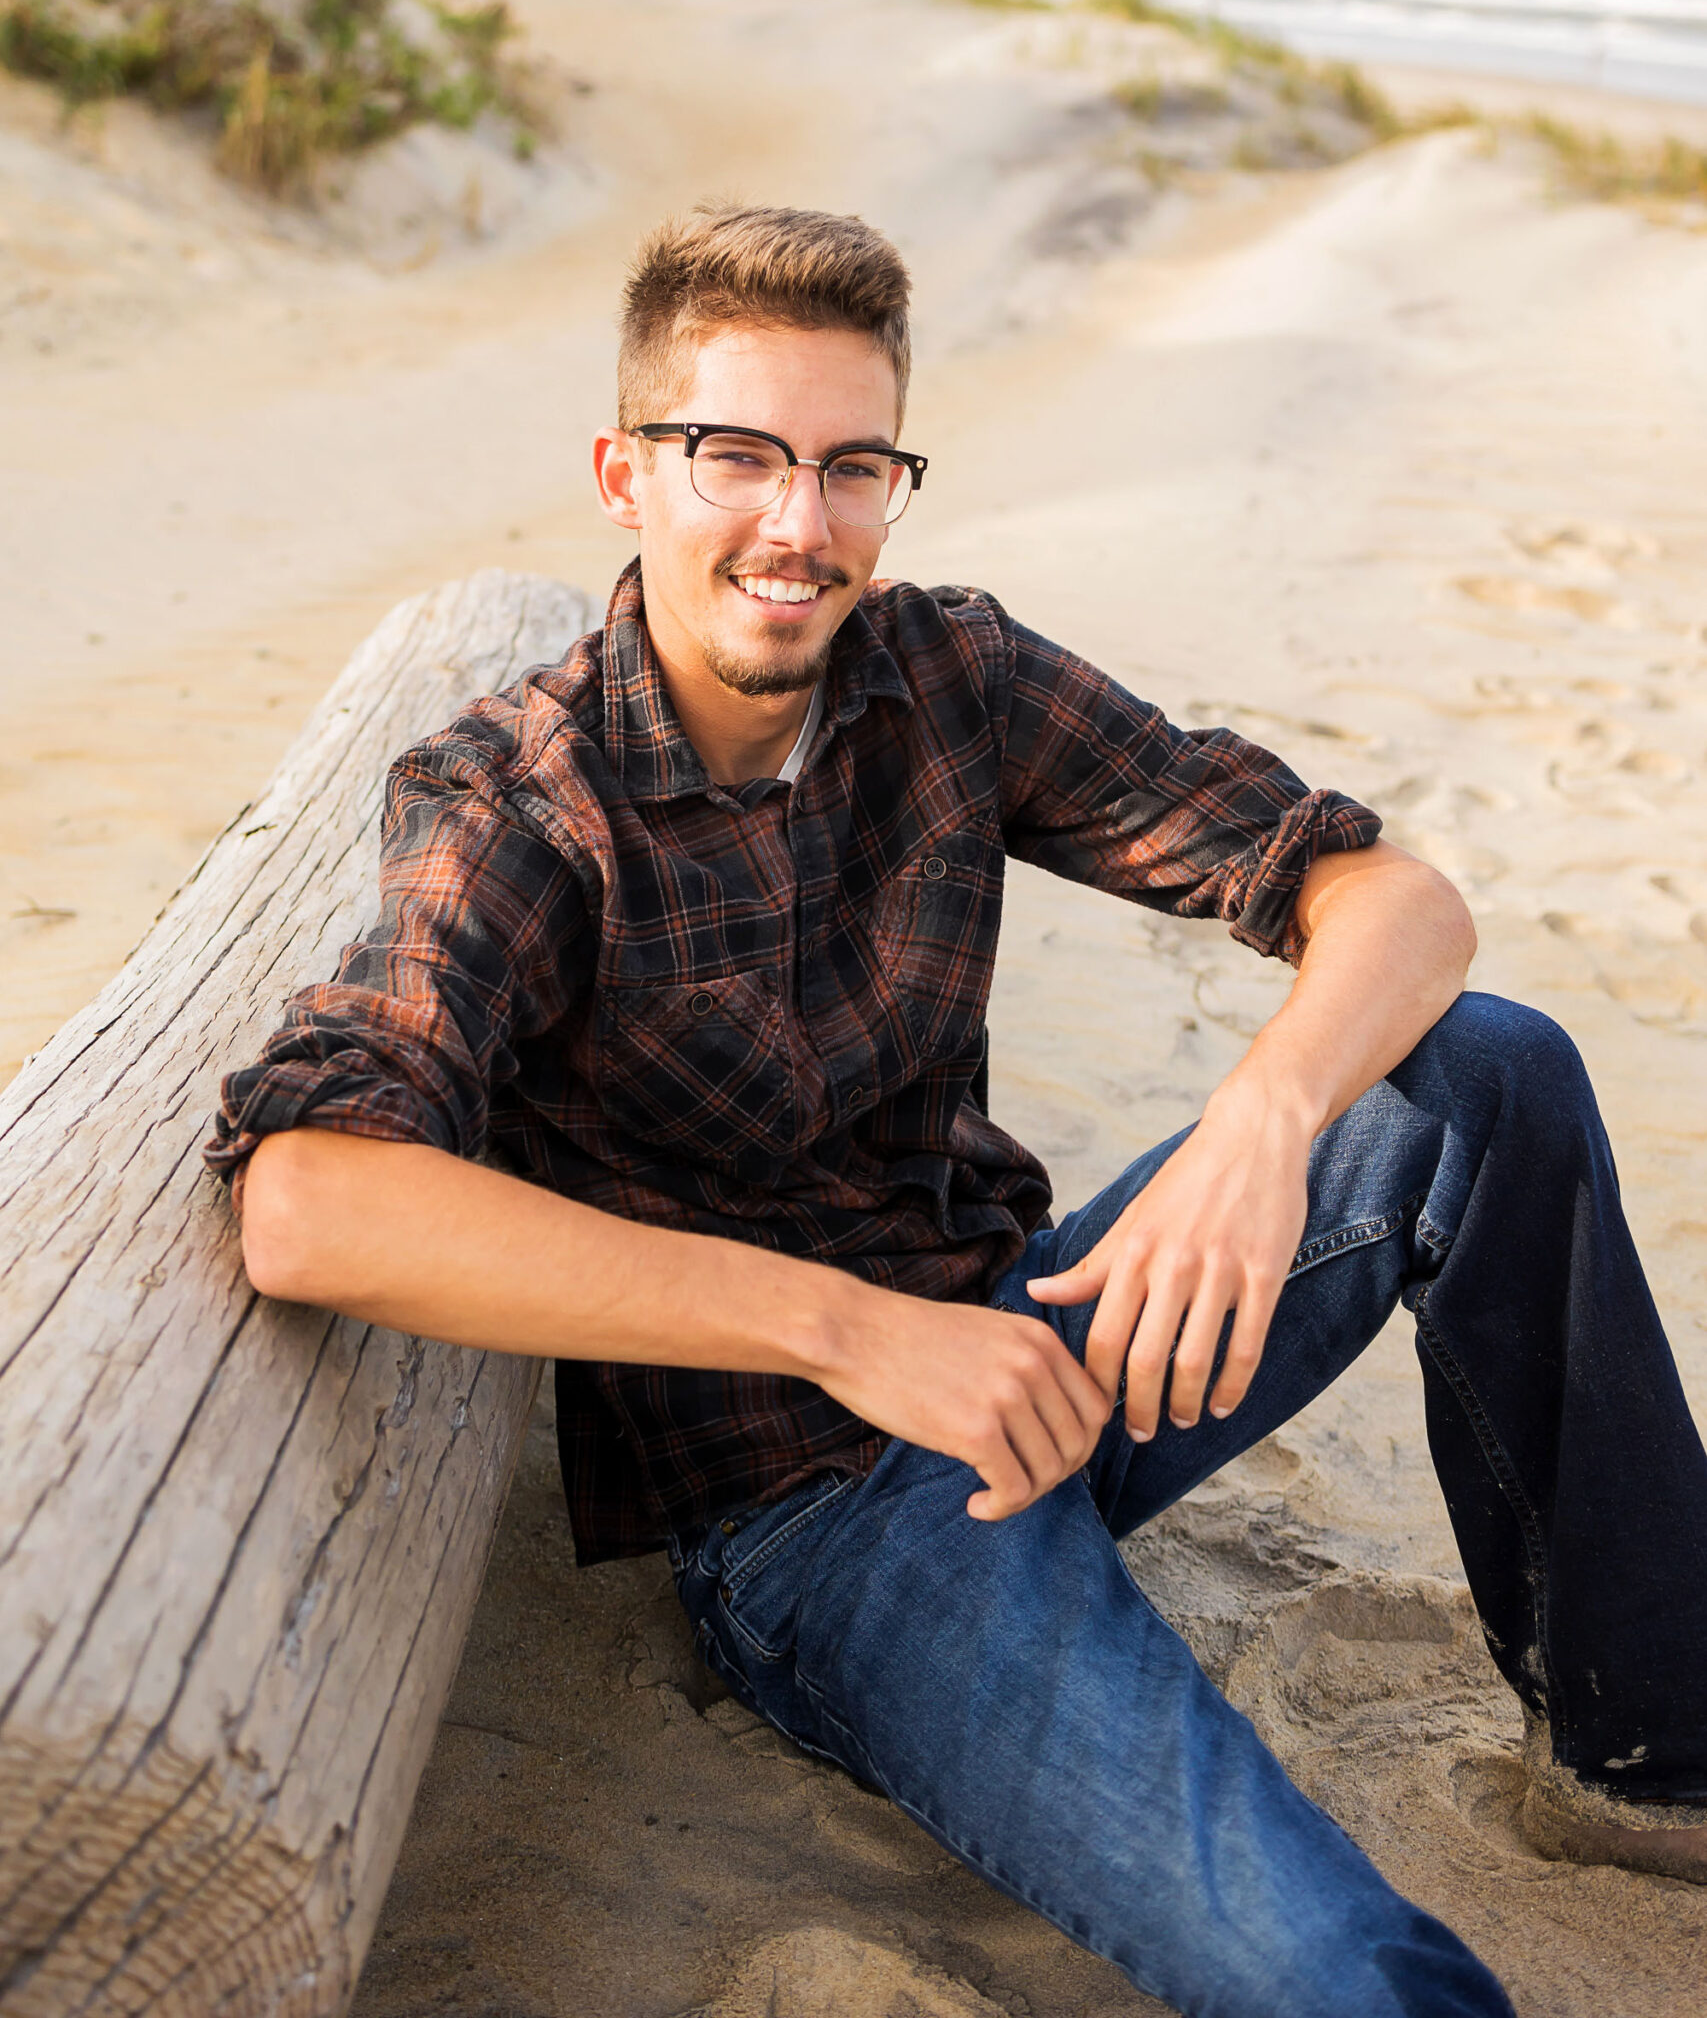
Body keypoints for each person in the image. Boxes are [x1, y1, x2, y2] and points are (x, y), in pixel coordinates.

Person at [211, 206, 1707, 2018]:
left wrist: (1256, 1125)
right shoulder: (523, 803)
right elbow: (310, 1196)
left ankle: (1645, 1758)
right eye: (738, 457)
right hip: (822, 1514)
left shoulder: (948, 679)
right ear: (624, 472)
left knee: (1493, 1073)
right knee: (1341, 1968)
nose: (799, 522)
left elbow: (1396, 897)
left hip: (1055, 1342)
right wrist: (851, 1336)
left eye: (854, 468)